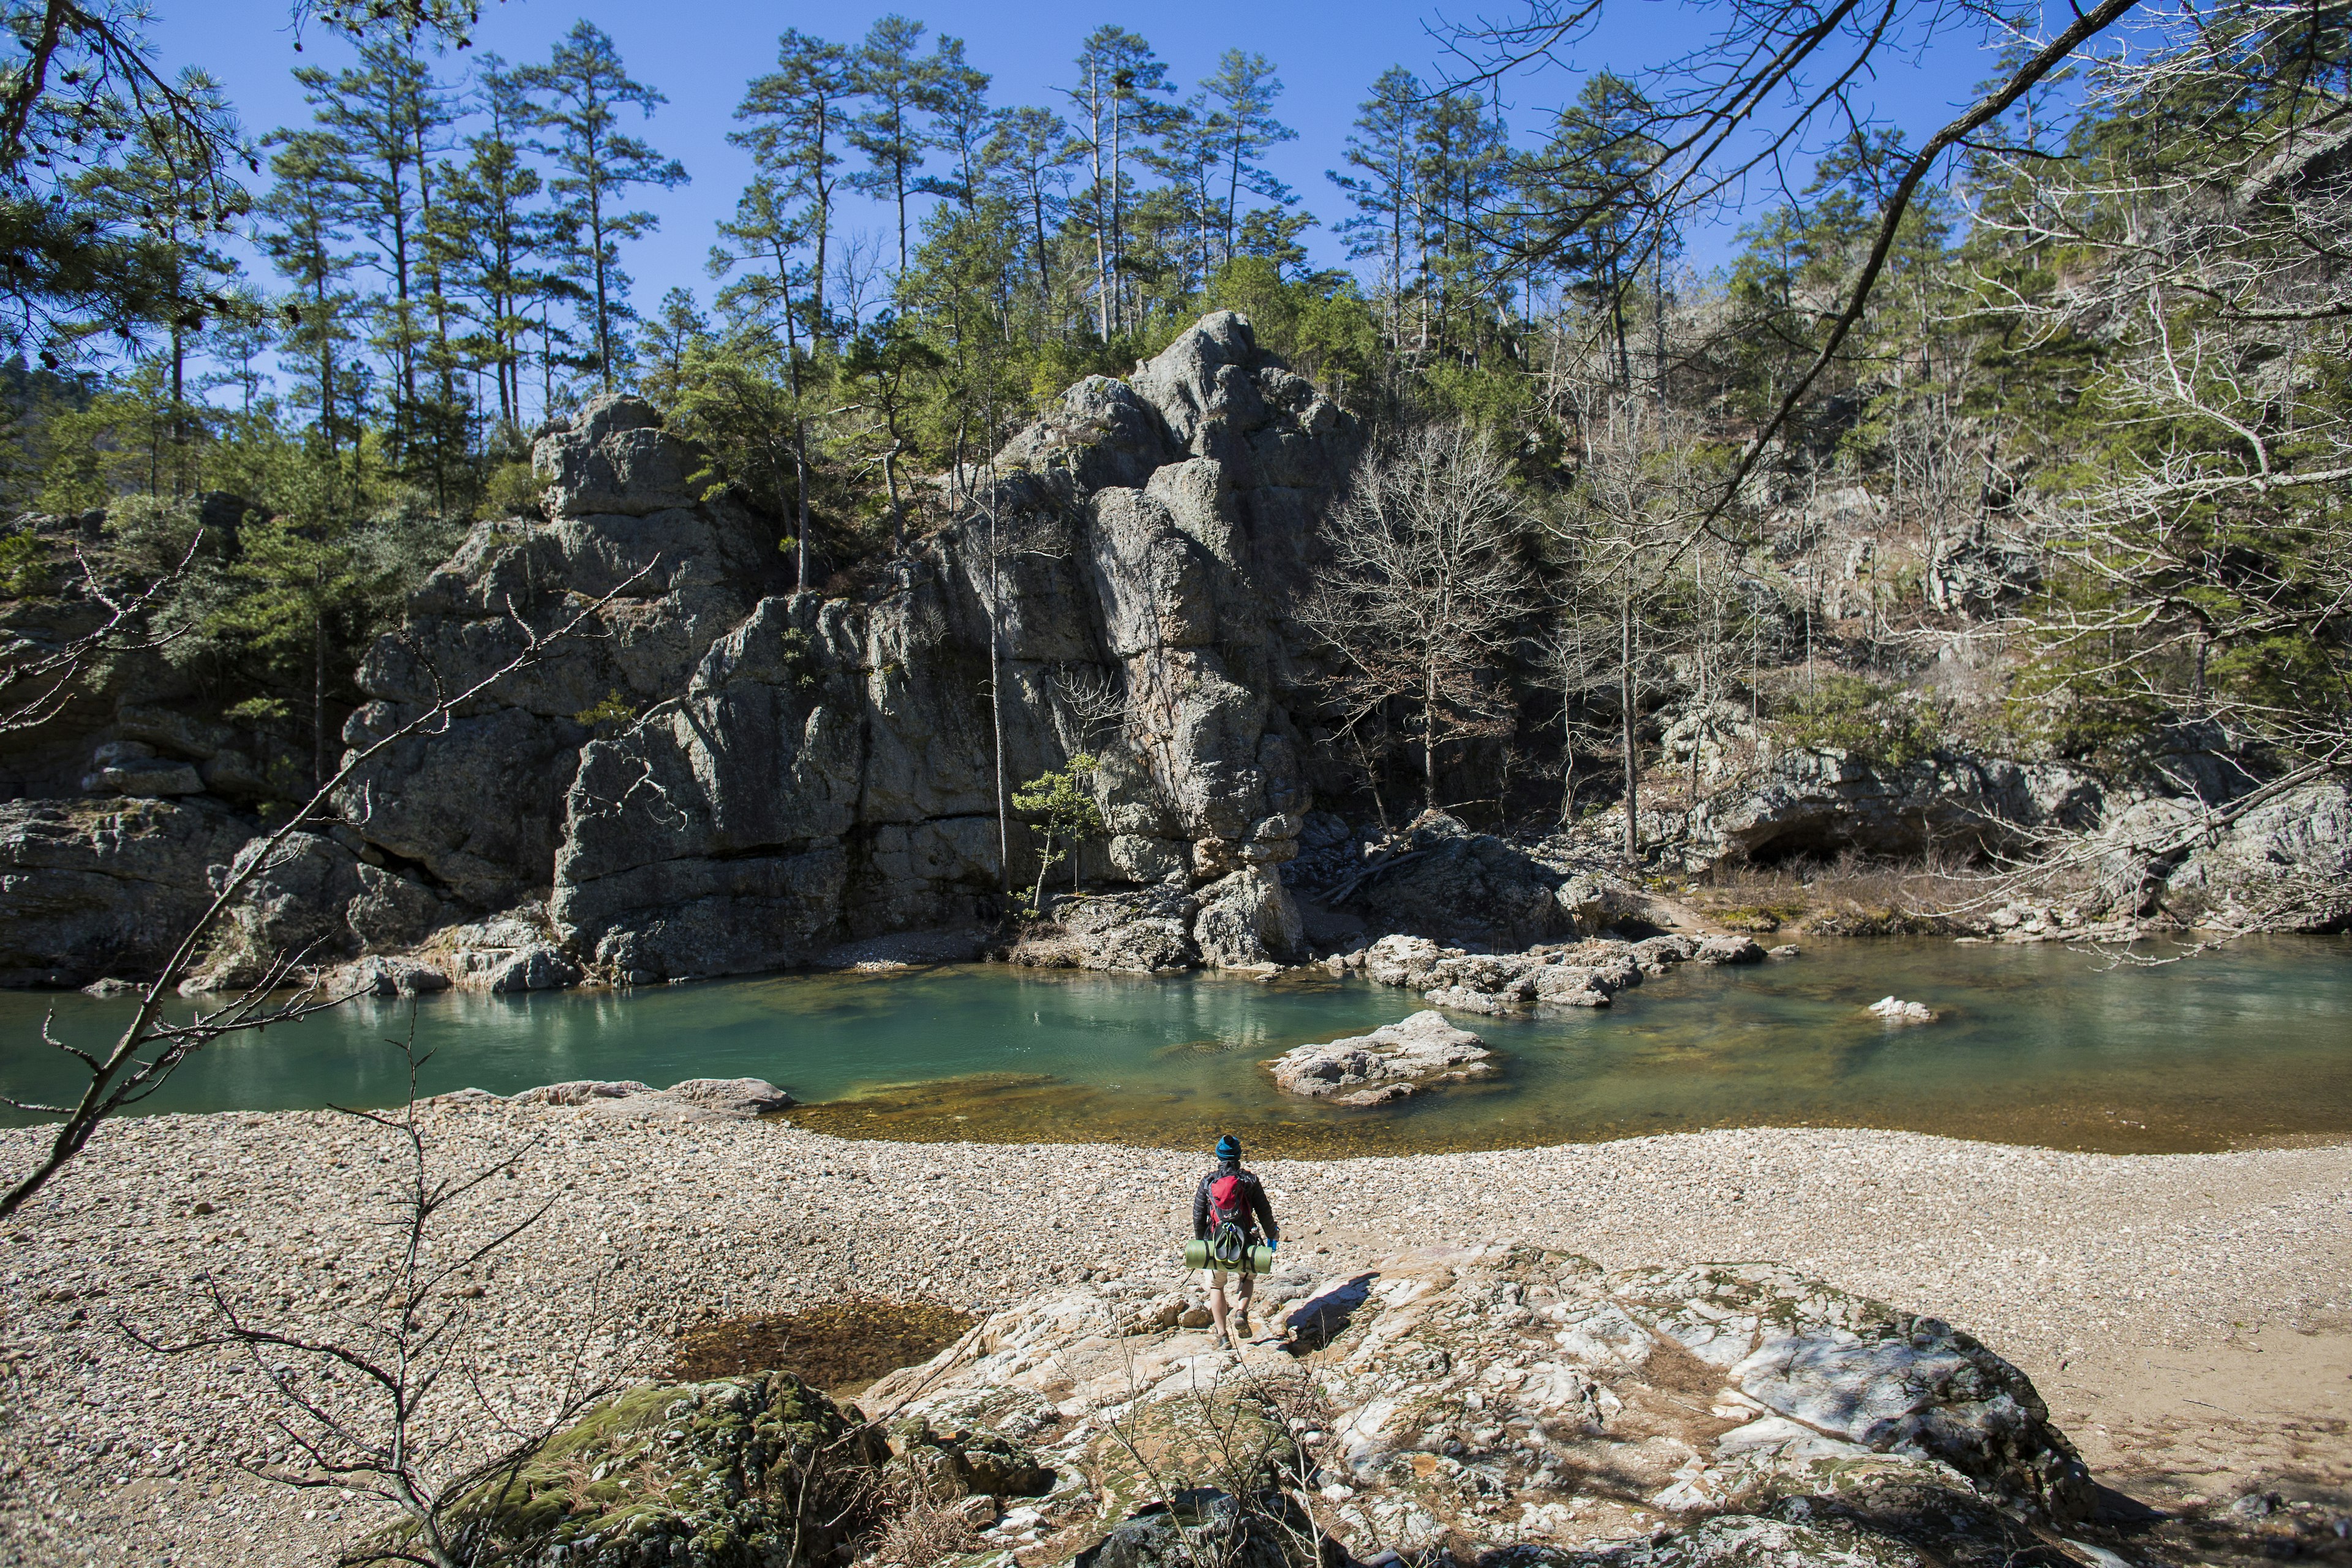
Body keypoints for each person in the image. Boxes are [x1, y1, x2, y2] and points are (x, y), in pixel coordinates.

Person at [1192, 1133, 1280, 1346]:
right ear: (1239, 1155)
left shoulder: (1209, 1181)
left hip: (1217, 1242)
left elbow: (1198, 1216)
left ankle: (1223, 1337)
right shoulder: (1249, 1180)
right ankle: (1241, 1312)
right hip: (1246, 1242)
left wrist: (1202, 1243)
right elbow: (1264, 1211)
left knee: (1216, 1287)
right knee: (1247, 1279)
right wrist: (1272, 1234)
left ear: (1218, 1156)